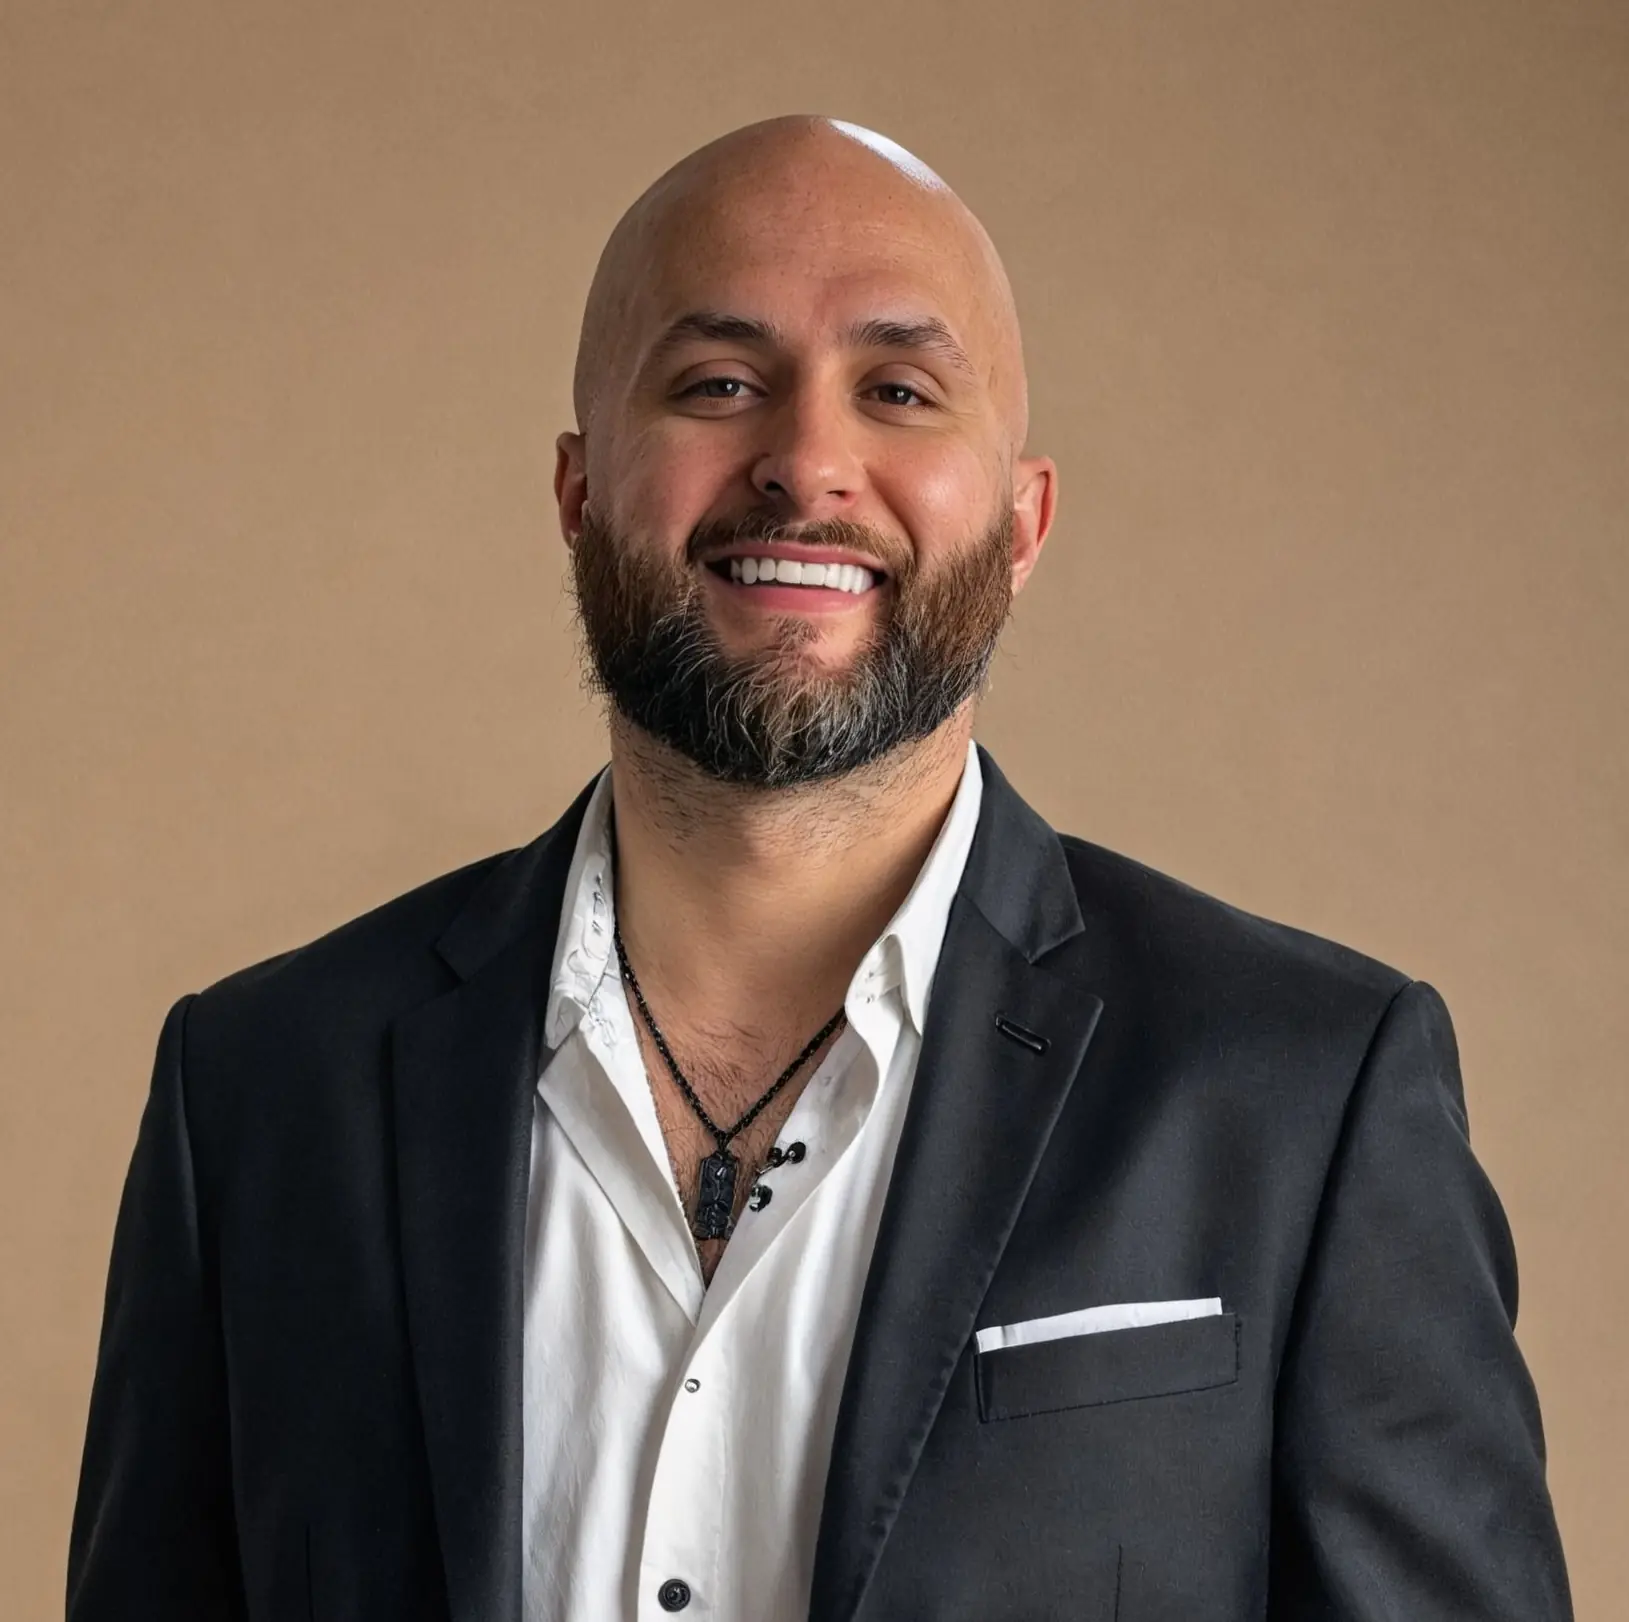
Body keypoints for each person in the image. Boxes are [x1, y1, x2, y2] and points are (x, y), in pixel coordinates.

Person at [68, 115, 1572, 1622]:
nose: (805, 462)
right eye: (719, 384)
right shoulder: (257, 1092)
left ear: (1025, 521)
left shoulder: (1305, 1094)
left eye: (898, 391)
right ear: (578, 491)